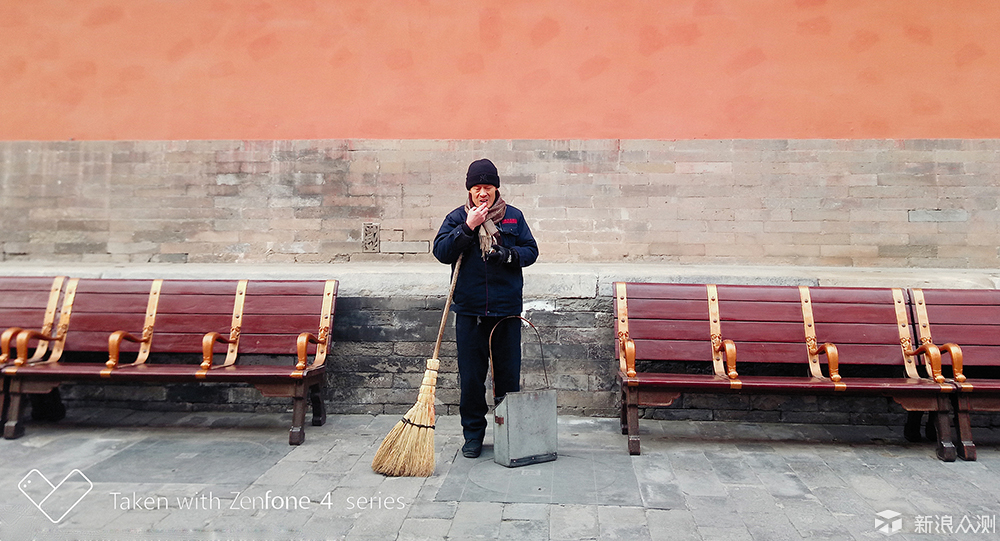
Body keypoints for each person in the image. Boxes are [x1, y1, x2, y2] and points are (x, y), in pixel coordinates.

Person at [432, 158, 539, 459]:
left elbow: (531, 251)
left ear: (496, 189)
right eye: (477, 188)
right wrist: (468, 227)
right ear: (470, 190)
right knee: (471, 380)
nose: (483, 193)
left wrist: (507, 254)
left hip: (506, 311)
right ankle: (473, 436)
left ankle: (507, 436)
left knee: (507, 379)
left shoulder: (514, 218)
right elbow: (441, 252)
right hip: (470, 312)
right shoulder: (457, 218)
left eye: (488, 187)